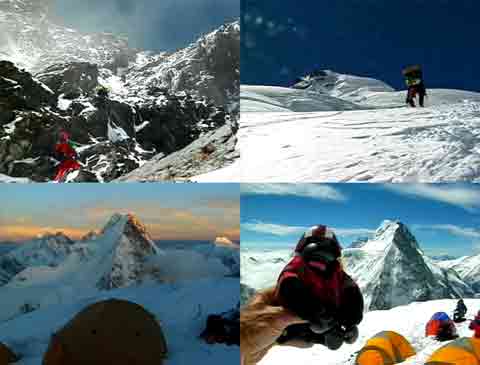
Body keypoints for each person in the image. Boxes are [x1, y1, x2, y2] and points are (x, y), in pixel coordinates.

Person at [240, 225, 364, 365]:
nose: (321, 262)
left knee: (306, 335)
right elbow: (290, 285)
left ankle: (318, 337)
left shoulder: (336, 274)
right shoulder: (303, 269)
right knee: (297, 331)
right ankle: (308, 336)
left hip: (318, 318)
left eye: (326, 256)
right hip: (300, 317)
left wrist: (351, 318)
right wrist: (313, 311)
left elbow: (351, 291)